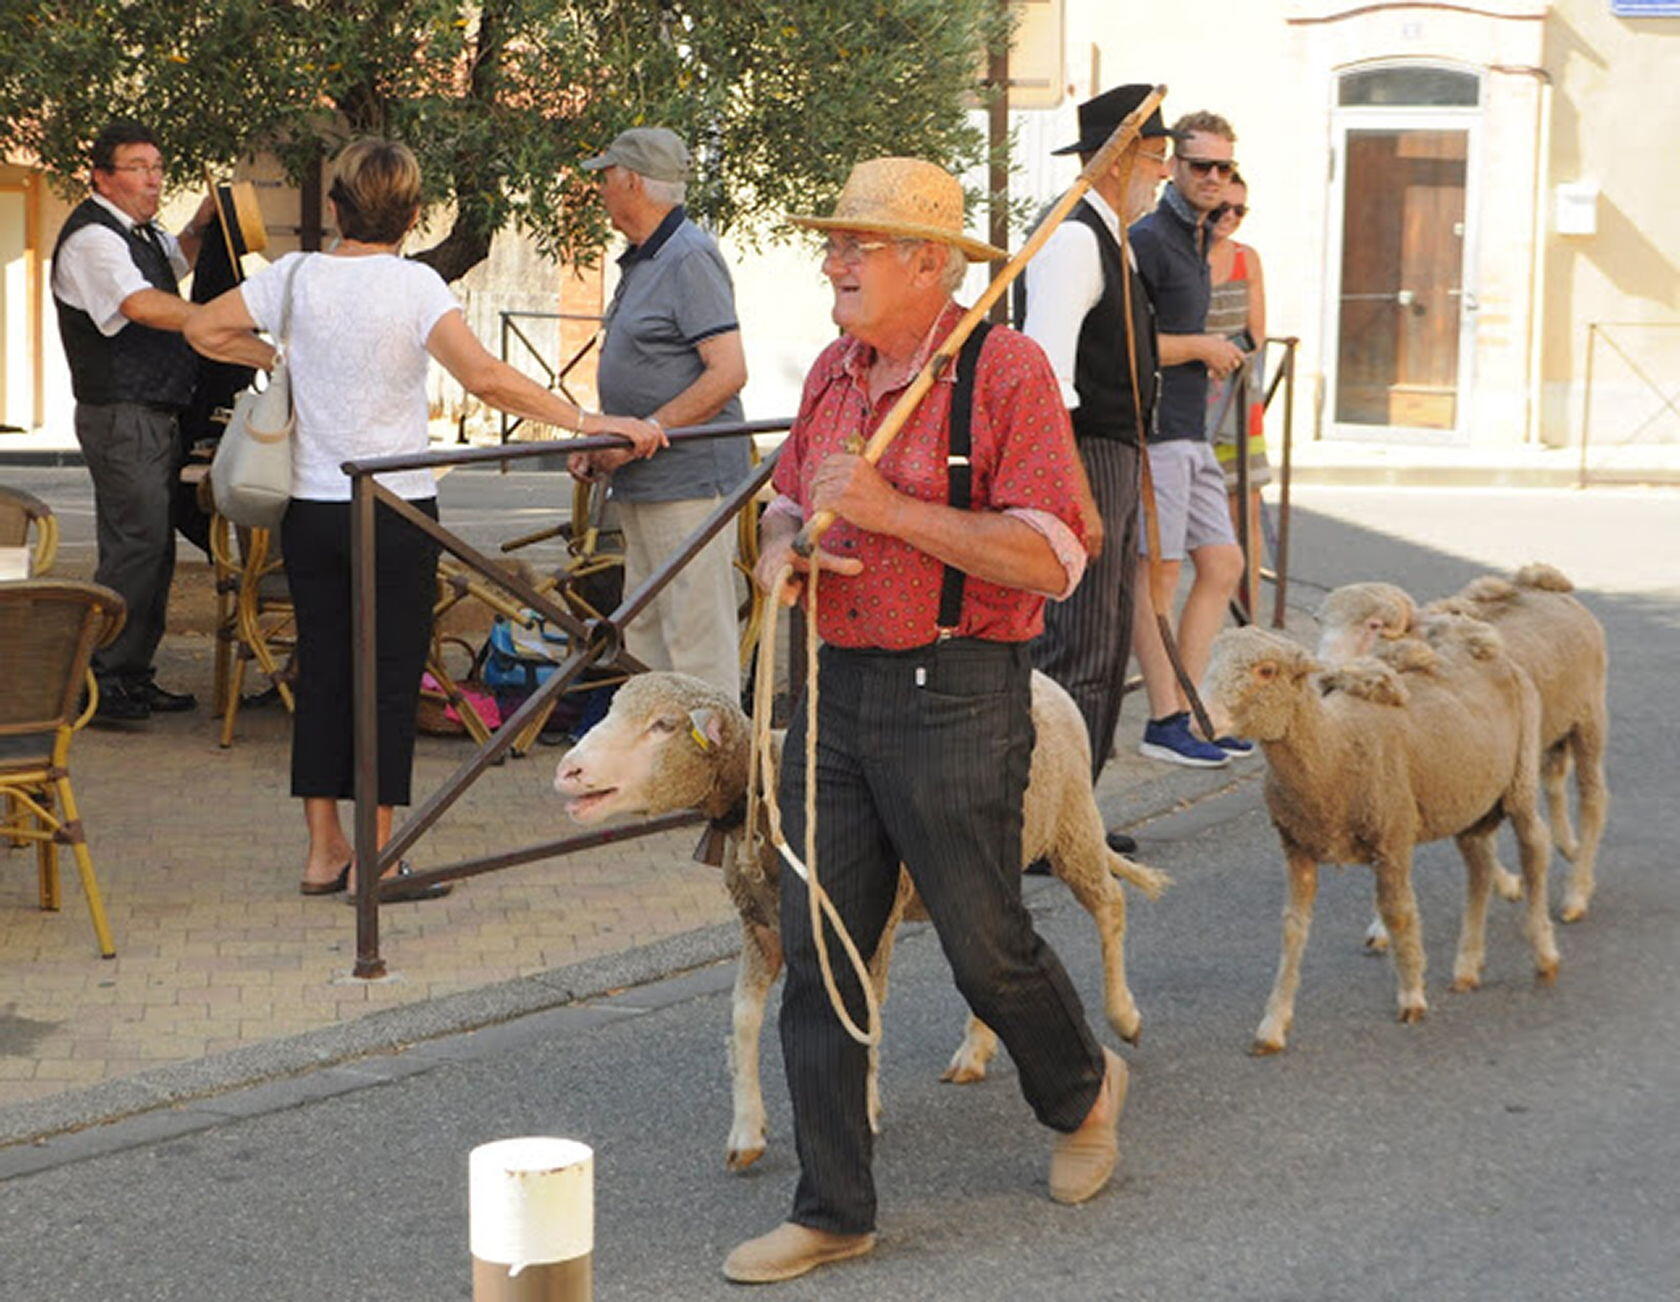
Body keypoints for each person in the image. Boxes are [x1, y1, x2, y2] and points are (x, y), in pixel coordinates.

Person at [724, 157, 1127, 1286]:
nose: (833, 261)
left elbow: (1054, 555)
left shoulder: (1006, 370)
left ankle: (1085, 1090)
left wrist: (897, 511)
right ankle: (834, 1207)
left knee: (981, 945)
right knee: (820, 954)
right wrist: (780, 550)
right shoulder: (834, 371)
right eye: (834, 241)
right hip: (837, 694)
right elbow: (796, 493)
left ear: (931, 264)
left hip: (958, 693)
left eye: (858, 245)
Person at [186, 139, 662, 900]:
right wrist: (586, 418)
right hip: (396, 509)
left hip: (310, 509)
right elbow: (485, 377)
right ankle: (382, 857)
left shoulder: (296, 276)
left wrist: (281, 356)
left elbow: (203, 329)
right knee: (386, 682)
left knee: (325, 674)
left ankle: (322, 852)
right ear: (411, 215)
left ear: (336, 206)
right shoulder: (414, 287)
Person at [1017, 84, 1173, 854]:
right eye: (1157, 159)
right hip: (1082, 455)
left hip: (1108, 454)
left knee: (1103, 642)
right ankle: (1049, 826)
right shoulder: (1078, 240)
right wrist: (1074, 492)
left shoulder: (1110, 236)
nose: (1165, 175)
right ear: (1120, 162)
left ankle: (1073, 817)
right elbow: (1043, 374)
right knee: (1077, 642)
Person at [569, 127, 749, 700]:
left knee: (695, 637)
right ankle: (658, 777)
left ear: (632, 182)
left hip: (687, 480)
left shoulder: (689, 256)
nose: (600, 188)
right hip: (645, 479)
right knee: (645, 634)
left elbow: (727, 372)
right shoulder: (648, 257)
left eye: (606, 176)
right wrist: (605, 437)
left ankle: (714, 778)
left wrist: (644, 433)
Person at [51, 119, 222, 722]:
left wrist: (202, 227)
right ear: (102, 176)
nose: (153, 179)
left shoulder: (139, 235)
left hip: (150, 411)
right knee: (133, 549)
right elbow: (140, 303)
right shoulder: (94, 240)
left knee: (151, 549)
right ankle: (99, 684)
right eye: (138, 168)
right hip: (121, 411)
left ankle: (130, 673)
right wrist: (216, 321)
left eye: (157, 167)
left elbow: (171, 267)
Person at [1127, 110, 1252, 768]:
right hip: (1153, 432)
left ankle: (1191, 709)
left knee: (1223, 565)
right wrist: (1201, 345)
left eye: (1222, 168)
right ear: (1173, 166)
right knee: (1157, 573)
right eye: (1199, 165)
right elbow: (1126, 343)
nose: (1211, 177)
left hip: (1190, 429)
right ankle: (1165, 718)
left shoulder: (1199, 239)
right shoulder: (1148, 239)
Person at [1204, 173, 1270, 608]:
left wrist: (1225, 356)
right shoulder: (1179, 256)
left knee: (1243, 509)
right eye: (1221, 208)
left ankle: (1250, 614)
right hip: (1186, 397)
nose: (1229, 217)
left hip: (1235, 399)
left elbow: (1258, 332)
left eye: (1239, 211)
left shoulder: (1248, 259)